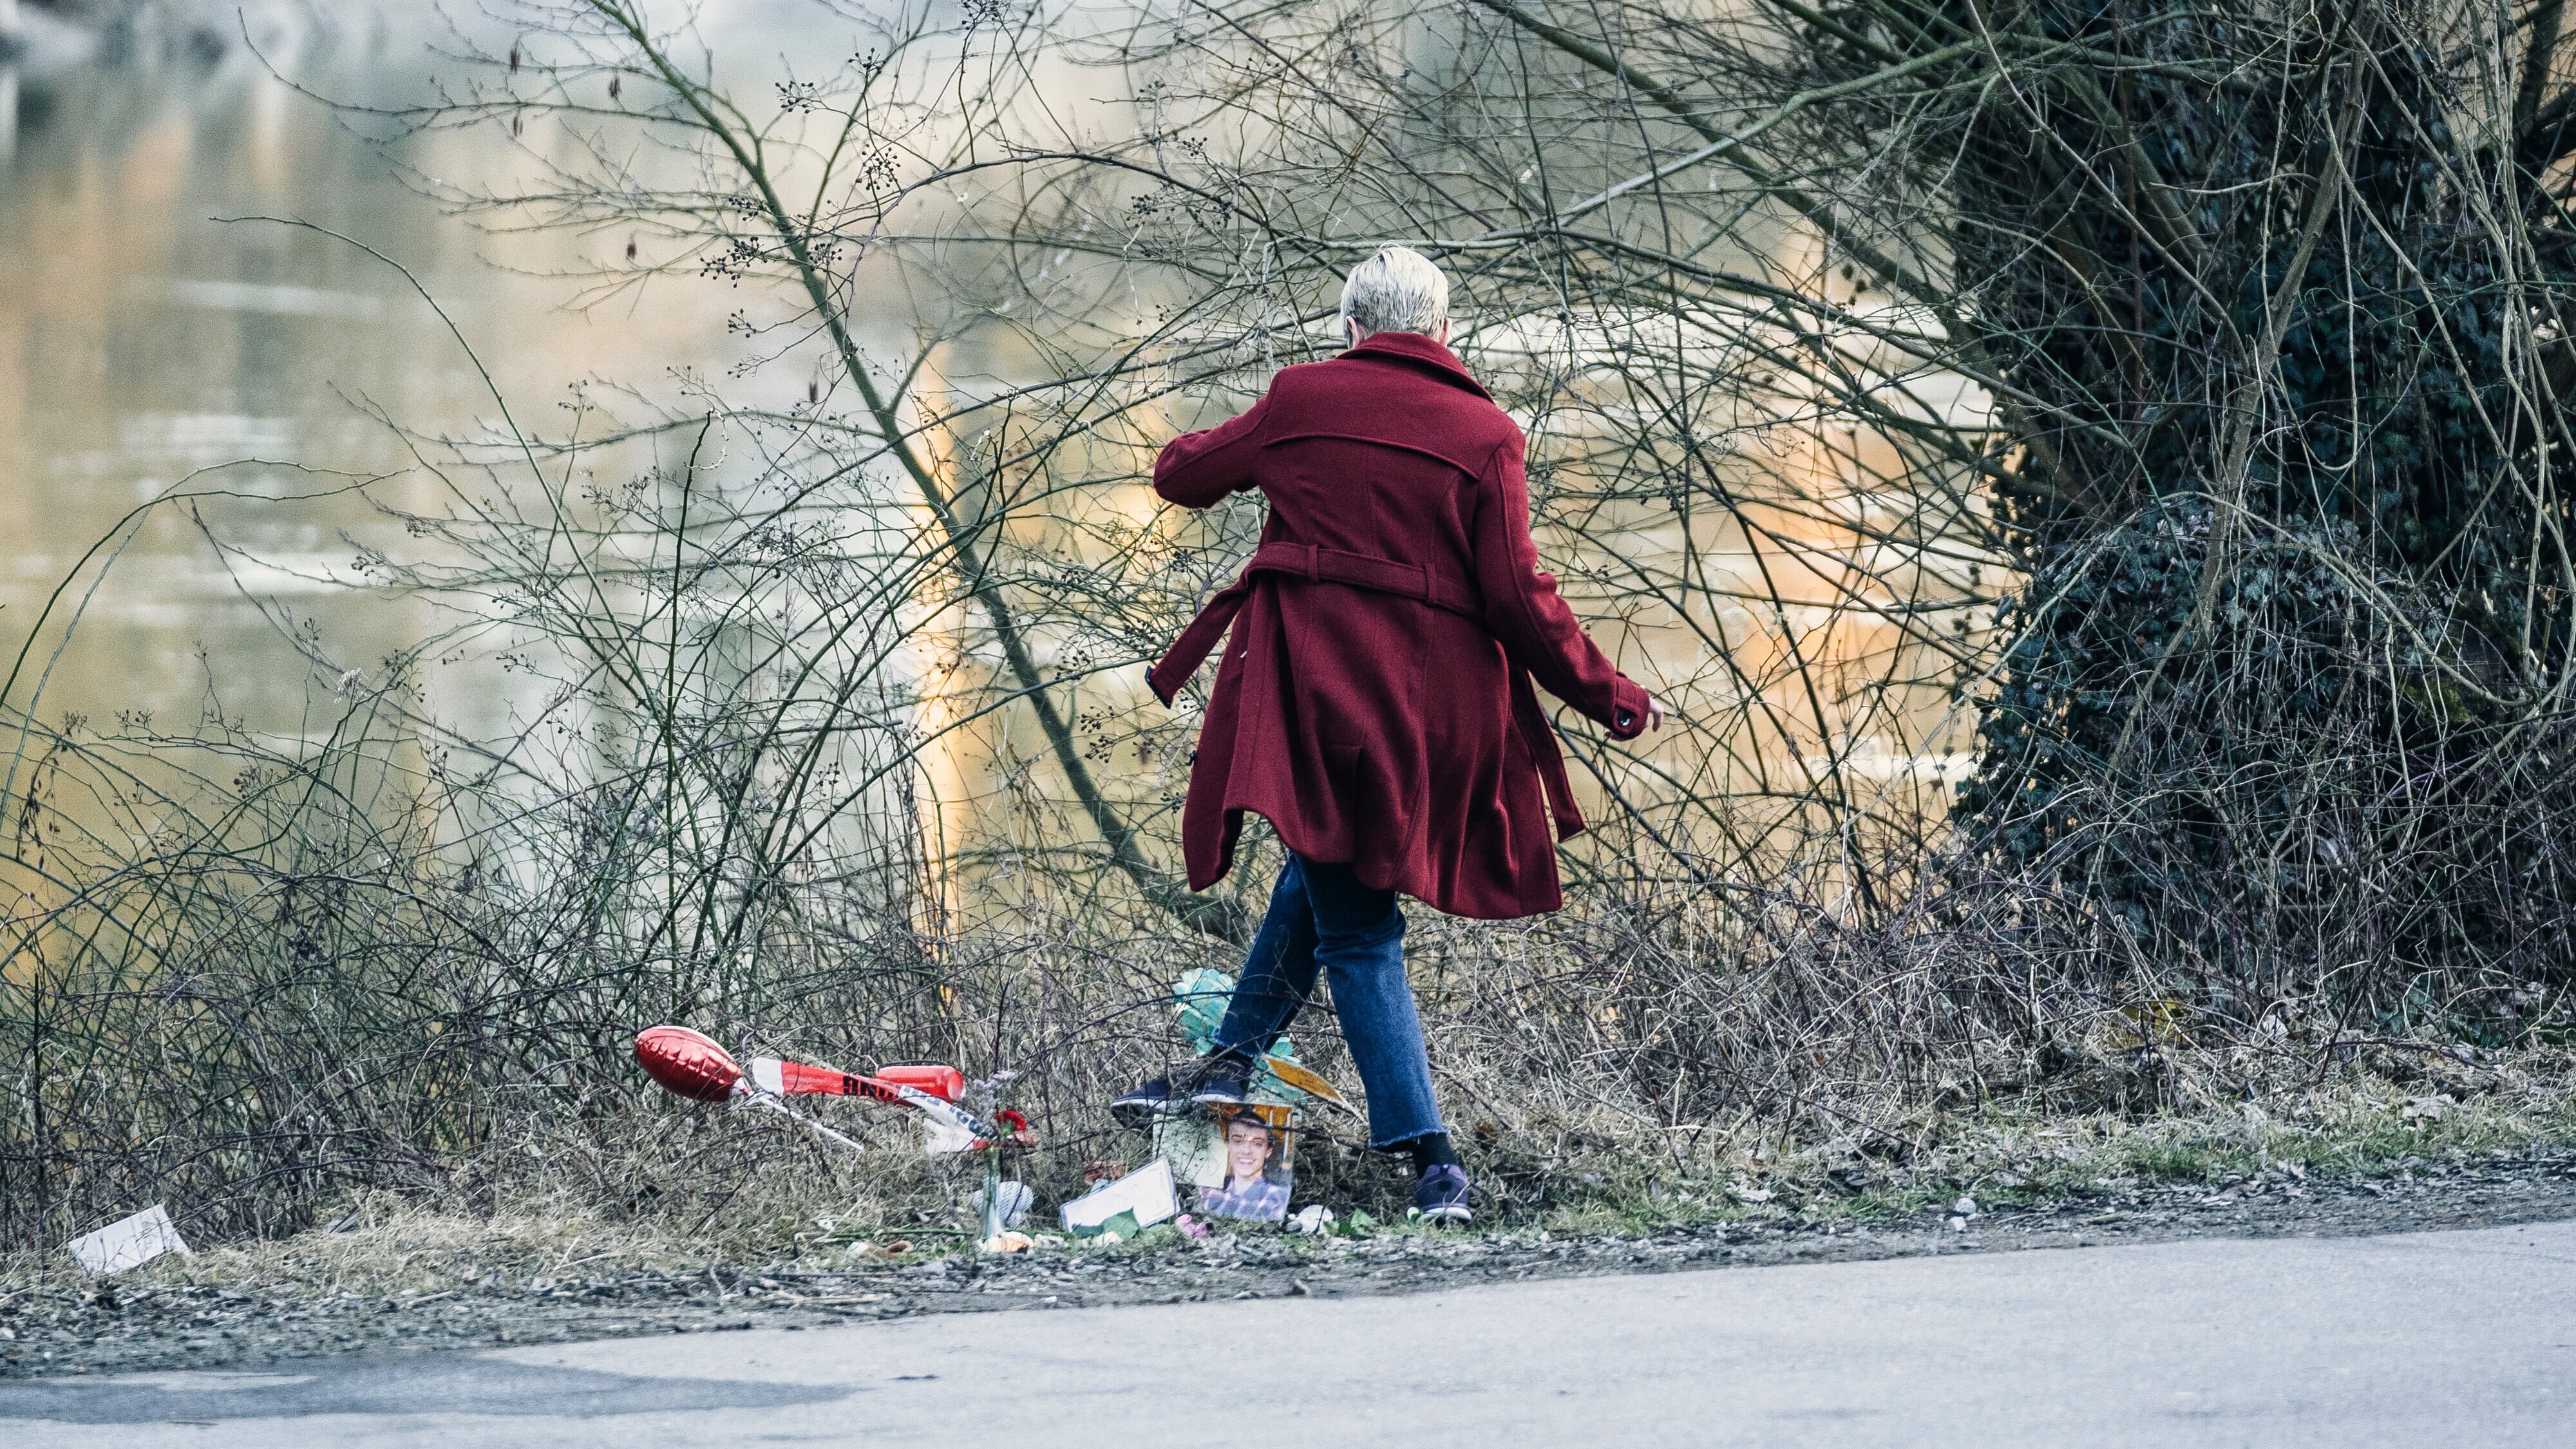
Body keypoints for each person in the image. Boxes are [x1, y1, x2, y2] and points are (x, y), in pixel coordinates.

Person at [1112, 247, 1666, 1224]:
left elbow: (1181, 477)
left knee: (1359, 924)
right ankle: (1227, 1063)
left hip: (1314, 705)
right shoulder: (1489, 433)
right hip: (1430, 722)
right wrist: (1606, 691)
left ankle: (1432, 1157)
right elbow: (1520, 598)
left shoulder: (1300, 398)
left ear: (1351, 327)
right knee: (1325, 875)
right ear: (1443, 331)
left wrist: (1261, 436)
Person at [1196, 1111, 1292, 1222]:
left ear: (1268, 1151)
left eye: (1257, 1144)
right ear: (1227, 1145)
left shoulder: (1276, 1196)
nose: (1246, 1151)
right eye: (1238, 1141)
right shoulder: (1210, 1186)